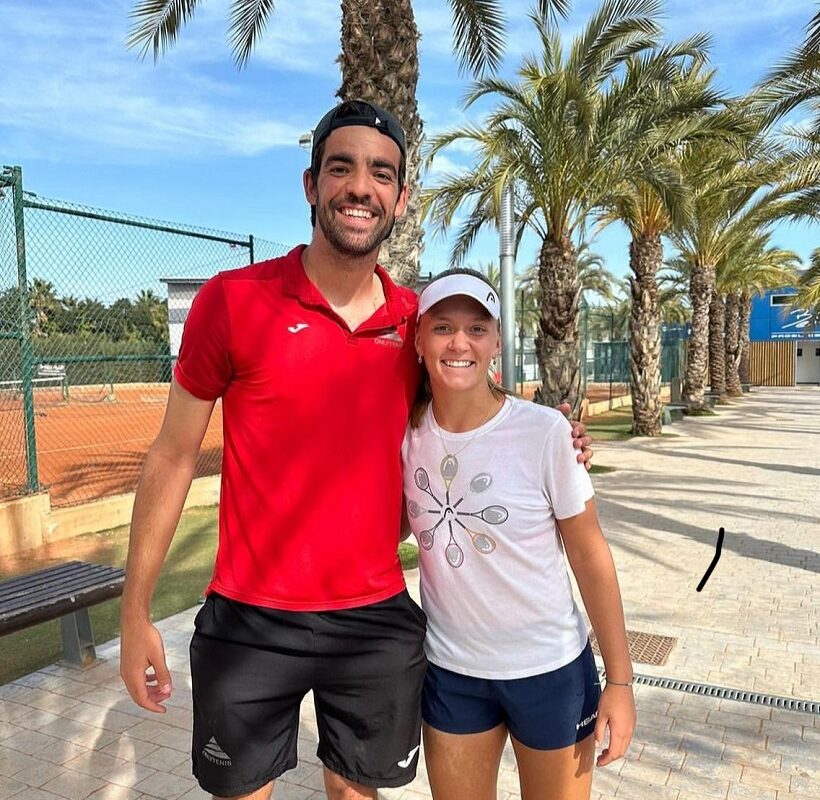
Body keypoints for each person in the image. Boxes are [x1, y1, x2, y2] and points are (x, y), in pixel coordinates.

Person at [119, 100, 592, 800]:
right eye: (341, 168)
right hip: (249, 617)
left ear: (401, 197)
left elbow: (479, 411)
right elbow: (171, 456)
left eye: (380, 174)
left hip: (375, 621)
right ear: (311, 186)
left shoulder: (416, 325)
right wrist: (134, 615)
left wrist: (552, 432)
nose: (360, 187)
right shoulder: (232, 301)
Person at [403, 268, 636, 800]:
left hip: (550, 671)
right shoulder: (404, 435)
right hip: (452, 672)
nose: (459, 342)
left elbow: (589, 552)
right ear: (419, 341)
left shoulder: (546, 431)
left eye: (477, 328)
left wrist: (619, 681)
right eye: (442, 327)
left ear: (496, 342)